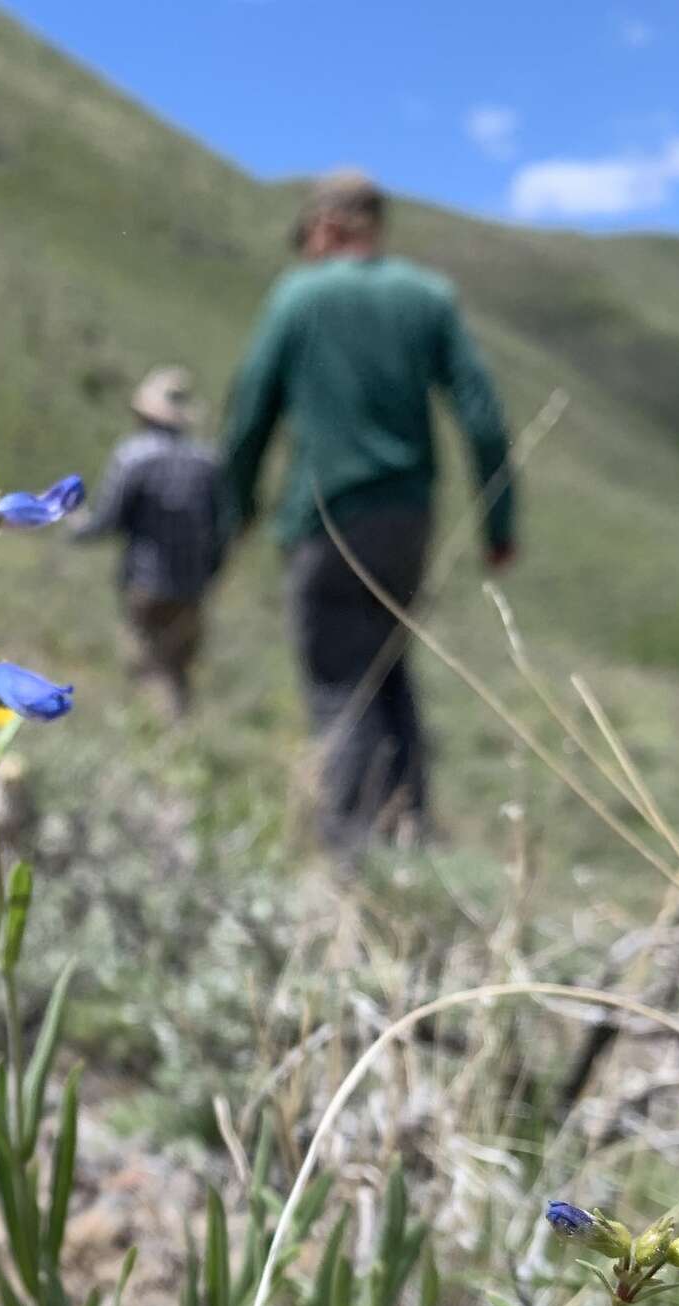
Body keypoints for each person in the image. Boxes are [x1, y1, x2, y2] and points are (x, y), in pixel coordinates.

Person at [222, 170, 515, 851]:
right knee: (389, 669)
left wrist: (237, 508)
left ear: (323, 228)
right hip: (409, 521)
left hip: (326, 521)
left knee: (339, 687)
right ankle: (412, 829)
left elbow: (248, 415)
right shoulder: (430, 297)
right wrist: (498, 527)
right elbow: (484, 417)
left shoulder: (298, 296)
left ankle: (354, 858)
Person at [72, 366, 231, 716]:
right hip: (193, 586)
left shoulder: (133, 456)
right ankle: (180, 740)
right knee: (179, 668)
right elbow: (224, 525)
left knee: (147, 667)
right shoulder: (209, 463)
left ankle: (159, 744)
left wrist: (70, 524)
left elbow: (104, 521)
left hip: (145, 583)